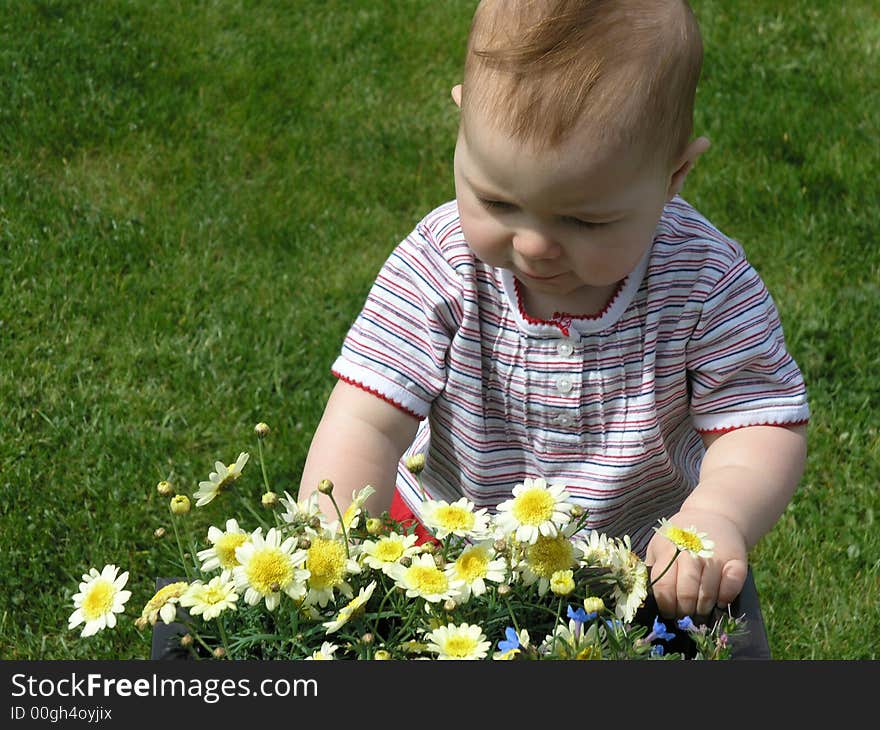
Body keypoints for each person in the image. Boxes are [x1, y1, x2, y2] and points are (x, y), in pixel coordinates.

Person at [299, 0, 809, 622]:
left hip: (635, 564)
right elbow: (366, 422)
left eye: (583, 219)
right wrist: (332, 543)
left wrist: (718, 513)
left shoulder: (702, 279)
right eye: (497, 200)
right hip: (451, 549)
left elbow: (759, 423)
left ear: (673, 175)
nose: (534, 244)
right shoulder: (442, 264)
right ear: (462, 124)